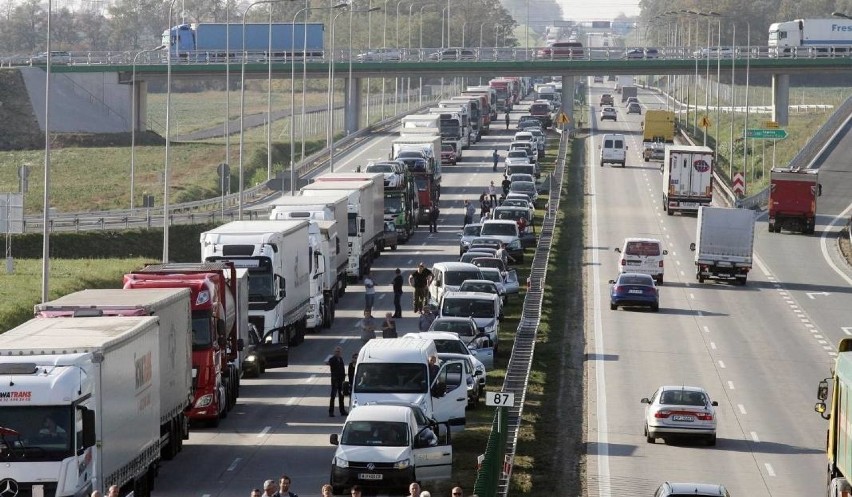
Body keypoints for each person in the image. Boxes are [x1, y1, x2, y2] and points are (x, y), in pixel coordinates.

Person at [326, 346, 348, 417]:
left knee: (341, 396)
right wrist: (328, 362)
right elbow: (328, 363)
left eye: (339, 352)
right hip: (335, 380)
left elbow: (342, 368)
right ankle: (331, 412)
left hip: (341, 380)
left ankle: (342, 411)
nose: (338, 353)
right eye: (336, 352)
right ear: (334, 352)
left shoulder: (340, 359)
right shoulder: (332, 359)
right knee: (333, 396)